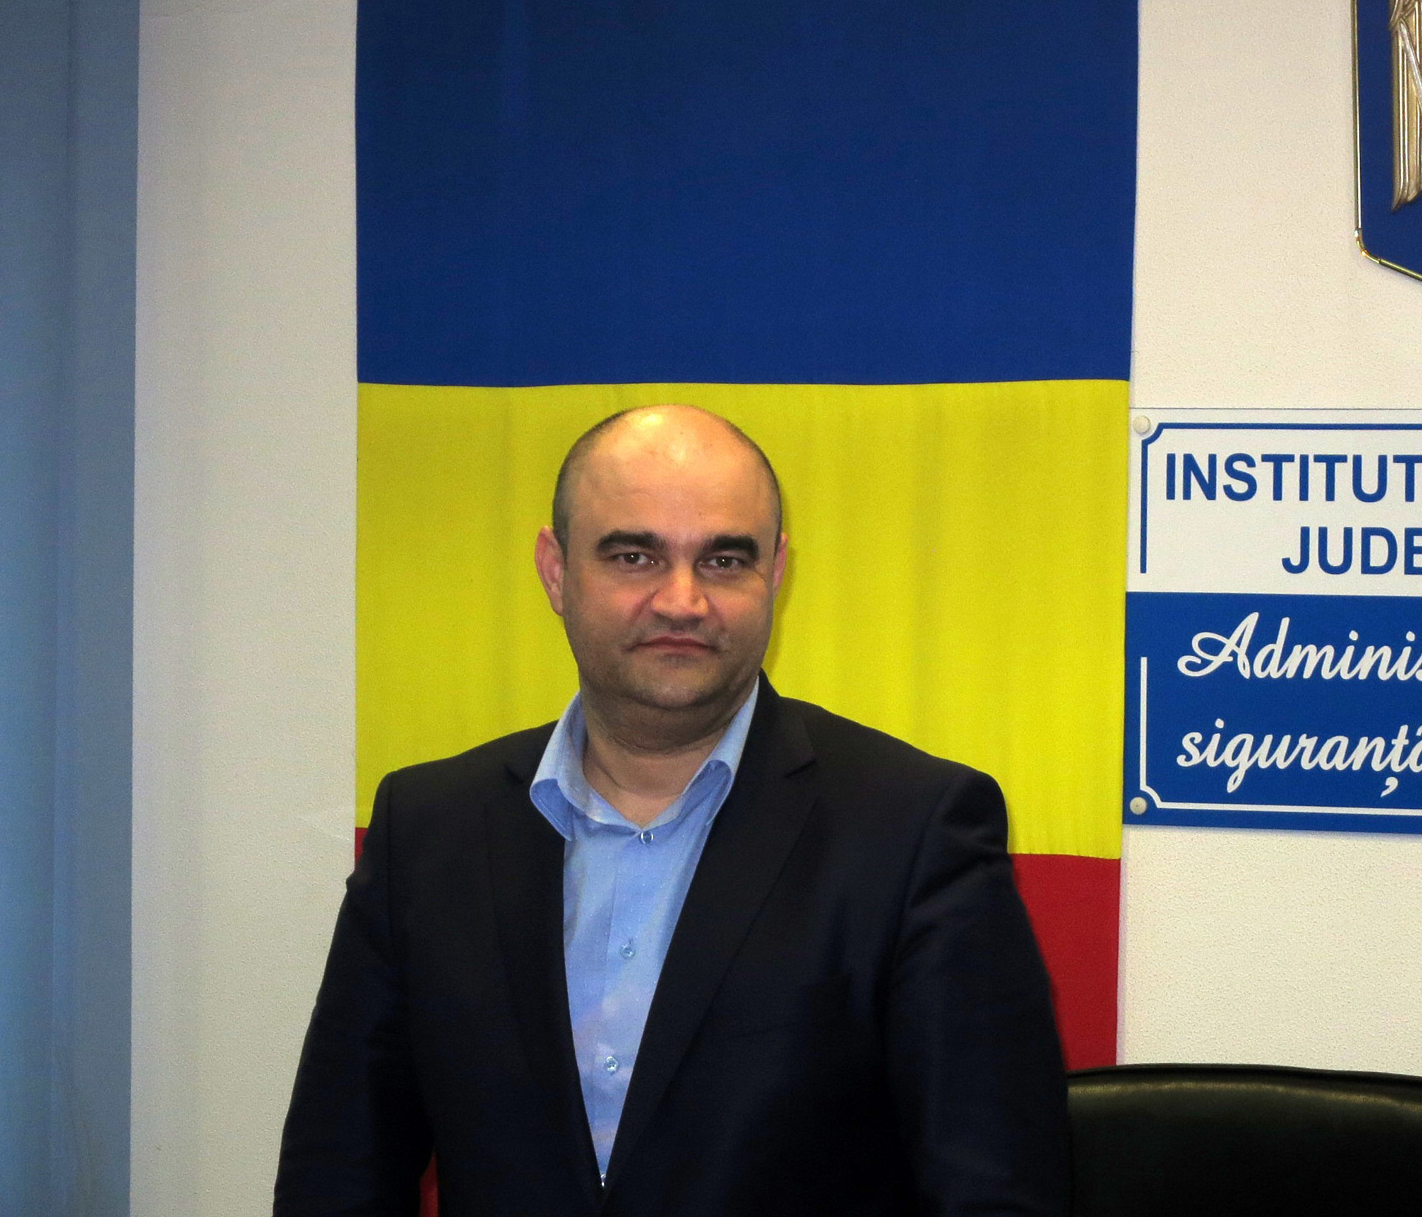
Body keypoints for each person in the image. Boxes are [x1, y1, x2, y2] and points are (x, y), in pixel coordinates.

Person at [274, 405, 1069, 1216]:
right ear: (556, 571)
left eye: (724, 559)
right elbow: (336, 1175)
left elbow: (998, 1193)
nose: (682, 600)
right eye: (634, 555)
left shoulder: (914, 831)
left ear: (776, 572)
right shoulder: (427, 830)